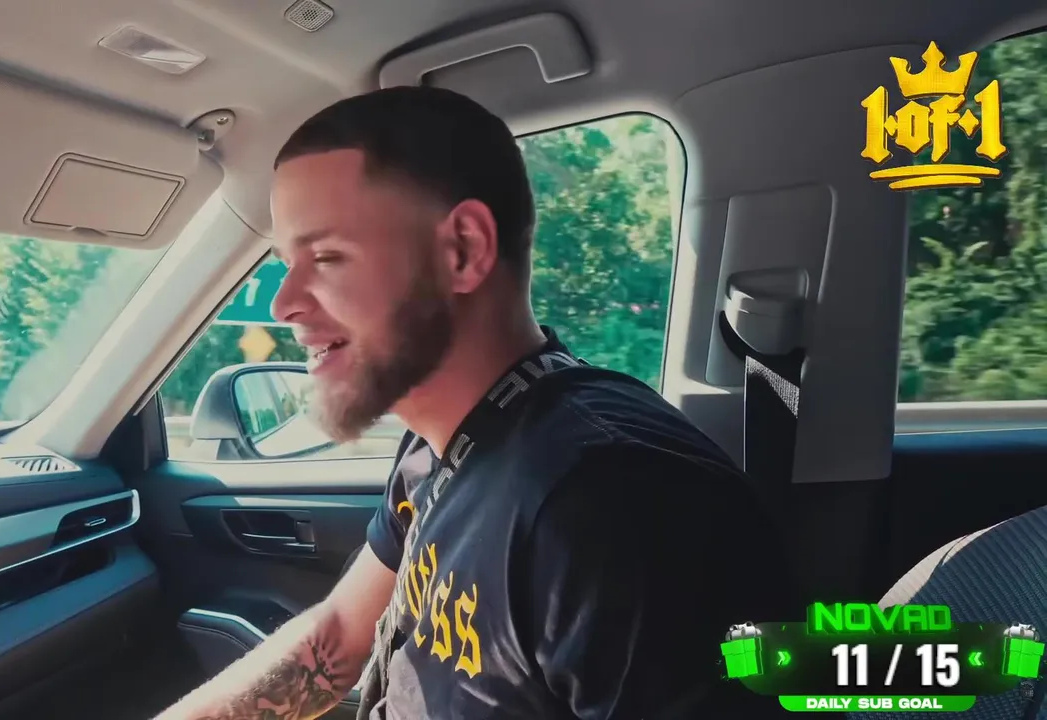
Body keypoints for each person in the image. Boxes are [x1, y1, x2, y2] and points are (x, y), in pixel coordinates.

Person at [155, 86, 797, 720]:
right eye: (286, 262)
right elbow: (339, 636)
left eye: (325, 256)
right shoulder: (441, 442)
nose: (283, 304)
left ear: (462, 250)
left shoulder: (612, 506)